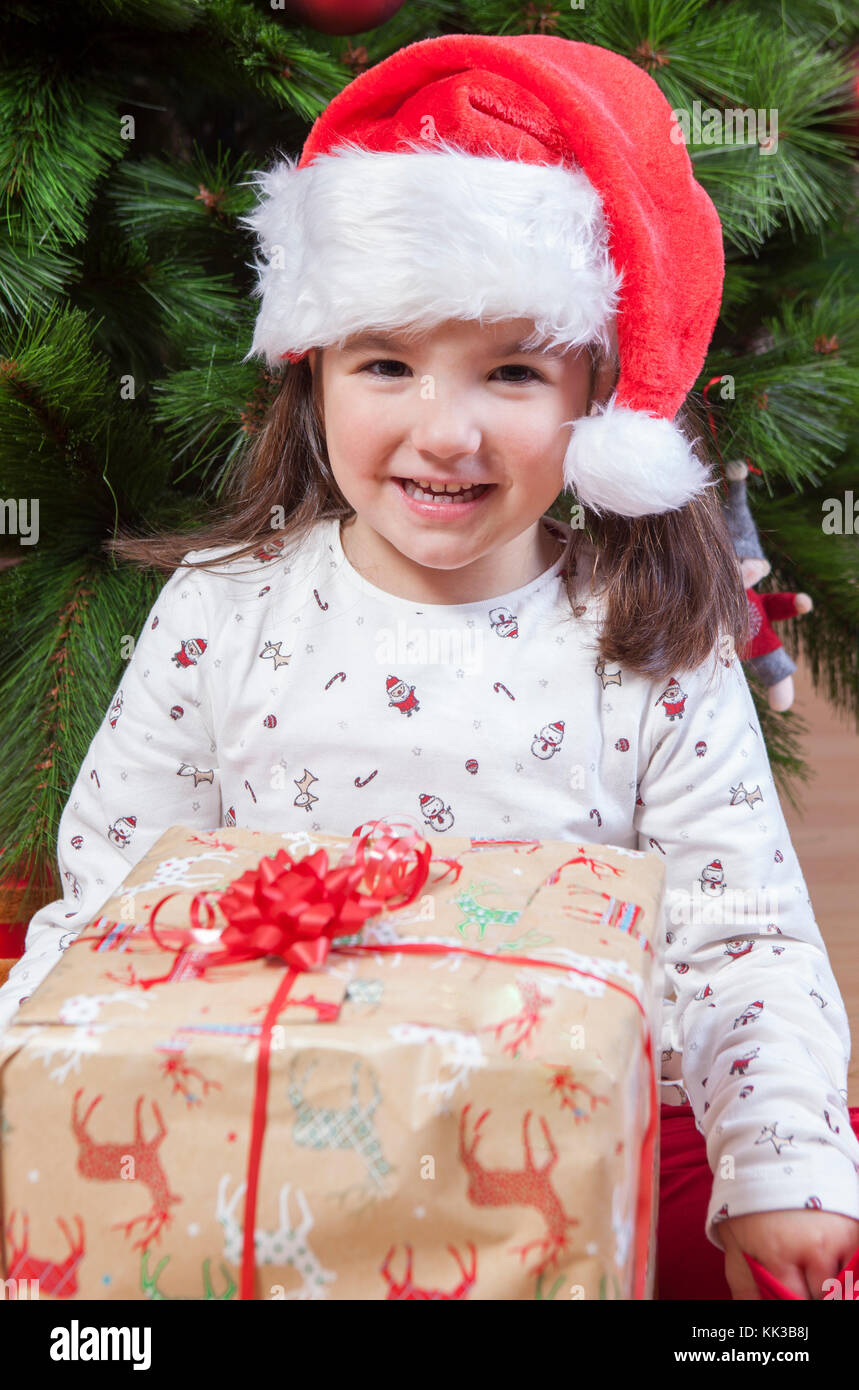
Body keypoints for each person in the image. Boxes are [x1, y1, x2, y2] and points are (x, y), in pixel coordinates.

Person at [2, 32, 858, 1301]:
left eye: (512, 371)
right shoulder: (219, 613)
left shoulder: (642, 641)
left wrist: (783, 1170)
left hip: (591, 1112)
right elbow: (113, 895)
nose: (442, 431)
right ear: (315, 377)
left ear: (593, 394)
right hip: (268, 1099)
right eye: (386, 364)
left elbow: (743, 938)